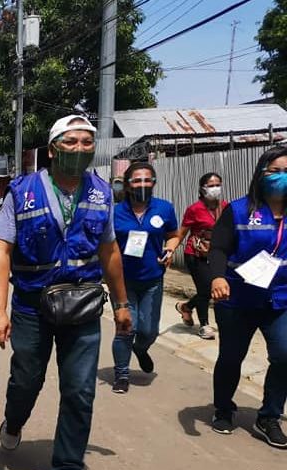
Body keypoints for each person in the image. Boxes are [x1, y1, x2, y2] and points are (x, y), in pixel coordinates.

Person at [0, 115, 132, 470]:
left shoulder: (102, 193)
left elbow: (110, 251)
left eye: (87, 142)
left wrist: (122, 304)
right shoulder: (22, 192)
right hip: (32, 305)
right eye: (71, 142)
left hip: (82, 304)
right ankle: (14, 420)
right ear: (52, 150)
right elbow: (1, 250)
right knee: (26, 379)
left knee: (80, 389)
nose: (80, 149)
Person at [208, 147, 287, 448]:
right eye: (275, 171)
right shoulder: (239, 210)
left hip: (279, 299)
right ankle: (223, 408)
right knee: (231, 357)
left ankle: (268, 417)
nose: (282, 177)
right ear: (261, 173)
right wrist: (217, 276)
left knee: (284, 355)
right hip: (238, 297)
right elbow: (218, 248)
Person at [110, 162, 182, 394]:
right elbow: (106, 246)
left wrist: (170, 249)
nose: (142, 184)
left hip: (152, 279)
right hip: (123, 281)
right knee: (126, 327)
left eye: (147, 180)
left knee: (149, 331)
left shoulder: (164, 208)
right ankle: (122, 374)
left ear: (154, 182)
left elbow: (173, 235)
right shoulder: (115, 212)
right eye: (137, 180)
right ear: (128, 185)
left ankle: (140, 349)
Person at [176, 173, 226, 340]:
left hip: (217, 255)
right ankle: (204, 325)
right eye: (211, 185)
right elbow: (182, 232)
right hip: (196, 254)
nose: (215, 188)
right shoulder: (194, 209)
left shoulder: (225, 207)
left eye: (217, 184)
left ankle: (187, 307)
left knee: (214, 288)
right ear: (203, 188)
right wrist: (170, 249)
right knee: (205, 289)